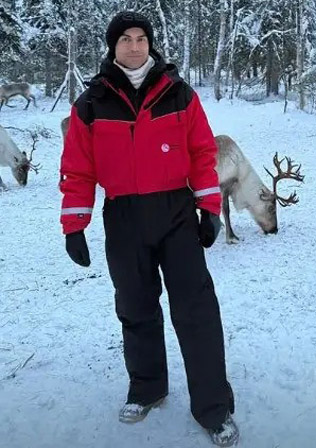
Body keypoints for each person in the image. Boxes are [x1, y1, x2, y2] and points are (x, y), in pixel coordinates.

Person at [59, 11, 238, 447]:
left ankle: (213, 407)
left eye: (142, 38)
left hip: (176, 214)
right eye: (125, 39)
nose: (135, 46)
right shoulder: (90, 104)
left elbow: (201, 153)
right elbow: (78, 169)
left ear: (151, 44)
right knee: (135, 307)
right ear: (113, 46)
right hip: (123, 218)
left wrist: (209, 208)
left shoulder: (179, 95)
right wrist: (74, 224)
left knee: (195, 310)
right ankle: (148, 387)